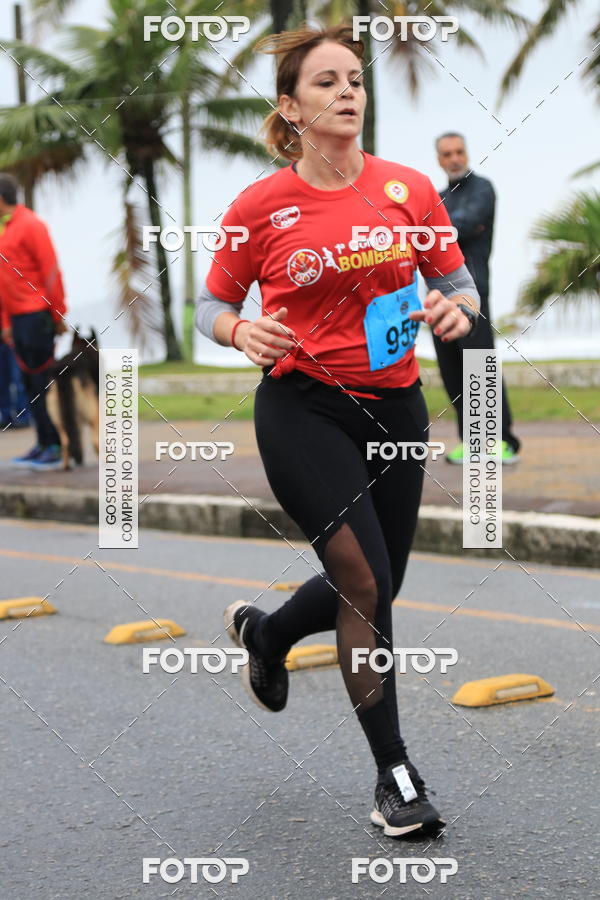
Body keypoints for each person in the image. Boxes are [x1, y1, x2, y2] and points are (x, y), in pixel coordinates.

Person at [196, 25, 480, 837]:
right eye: (325, 83)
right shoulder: (261, 205)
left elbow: (458, 284)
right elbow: (211, 305)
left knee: (379, 583)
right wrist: (237, 333)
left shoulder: (407, 190)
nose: (347, 92)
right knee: (362, 582)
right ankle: (394, 775)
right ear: (291, 108)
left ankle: (268, 630)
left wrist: (457, 309)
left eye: (354, 79)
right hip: (303, 407)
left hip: (394, 407)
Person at [434, 132, 521, 464]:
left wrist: (435, 231)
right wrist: (439, 231)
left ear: (466, 153)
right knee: (452, 371)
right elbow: (436, 233)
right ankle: (472, 442)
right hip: (438, 296)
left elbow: (464, 225)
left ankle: (502, 440)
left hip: (473, 294)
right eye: (447, 154)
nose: (455, 158)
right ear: (439, 160)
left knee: (480, 367)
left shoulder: (482, 188)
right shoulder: (436, 196)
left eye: (459, 151)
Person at [0, 174, 67, 469]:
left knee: (41, 381)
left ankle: (55, 444)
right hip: (16, 319)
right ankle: (41, 442)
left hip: (37, 314)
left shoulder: (31, 225)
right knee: (28, 384)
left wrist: (59, 313)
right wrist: (5, 322)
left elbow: (51, 271)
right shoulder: (5, 230)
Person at [0, 332, 31, 429]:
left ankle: (23, 417)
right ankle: (6, 418)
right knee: (2, 384)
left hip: (15, 342)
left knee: (19, 382)